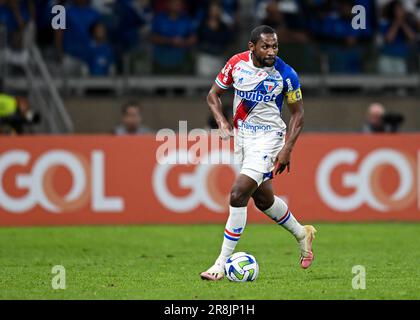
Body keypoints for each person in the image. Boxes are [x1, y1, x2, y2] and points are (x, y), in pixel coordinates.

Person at [200, 25, 317, 281]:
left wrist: (287, 148)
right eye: (266, 46)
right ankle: (302, 234)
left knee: (238, 193)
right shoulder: (236, 64)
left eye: (275, 46)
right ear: (252, 47)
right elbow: (213, 95)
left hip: (270, 139)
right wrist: (221, 121)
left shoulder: (286, 74)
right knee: (263, 201)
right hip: (243, 140)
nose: (272, 51)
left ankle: (220, 264)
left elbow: (298, 114)